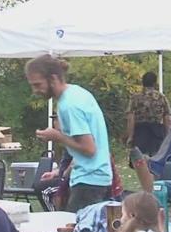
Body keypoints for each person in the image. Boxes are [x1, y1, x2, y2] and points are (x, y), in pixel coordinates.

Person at [25, 54, 112, 212]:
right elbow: (83, 151)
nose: (35, 90)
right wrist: (60, 172)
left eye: (38, 84)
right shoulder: (77, 93)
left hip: (88, 183)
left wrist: (57, 137)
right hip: (97, 178)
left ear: (53, 78)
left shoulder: (69, 105)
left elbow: (89, 149)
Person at [126, 72, 171, 156]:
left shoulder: (135, 98)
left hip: (140, 132)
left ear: (142, 83)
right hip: (157, 131)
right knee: (156, 158)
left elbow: (130, 118)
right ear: (155, 83)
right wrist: (167, 134)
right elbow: (166, 117)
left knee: (141, 161)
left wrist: (130, 136)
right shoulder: (161, 97)